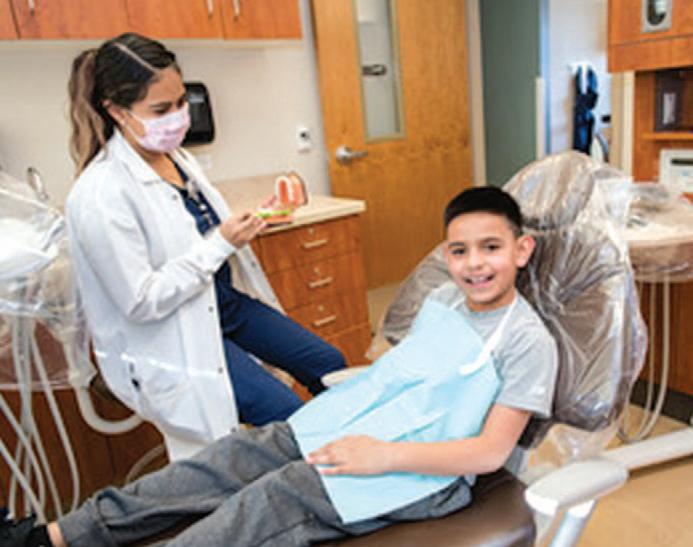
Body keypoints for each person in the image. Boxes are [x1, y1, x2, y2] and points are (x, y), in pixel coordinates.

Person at [2, 186, 558, 547]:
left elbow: (489, 453)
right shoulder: (443, 300)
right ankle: (53, 537)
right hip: (344, 428)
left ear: (522, 250)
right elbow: (407, 378)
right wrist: (352, 418)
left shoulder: (527, 342)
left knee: (268, 498)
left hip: (416, 474)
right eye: (459, 250)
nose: (474, 264)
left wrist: (381, 455)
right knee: (225, 461)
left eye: (491, 247)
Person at [64, 33, 345, 460]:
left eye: (181, 102)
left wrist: (256, 219)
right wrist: (220, 243)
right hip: (173, 333)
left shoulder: (178, 159)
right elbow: (141, 301)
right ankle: (322, 477)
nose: (178, 117)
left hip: (223, 305)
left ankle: (350, 454)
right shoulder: (101, 193)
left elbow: (194, 232)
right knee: (286, 414)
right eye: (161, 110)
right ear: (117, 111)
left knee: (329, 364)